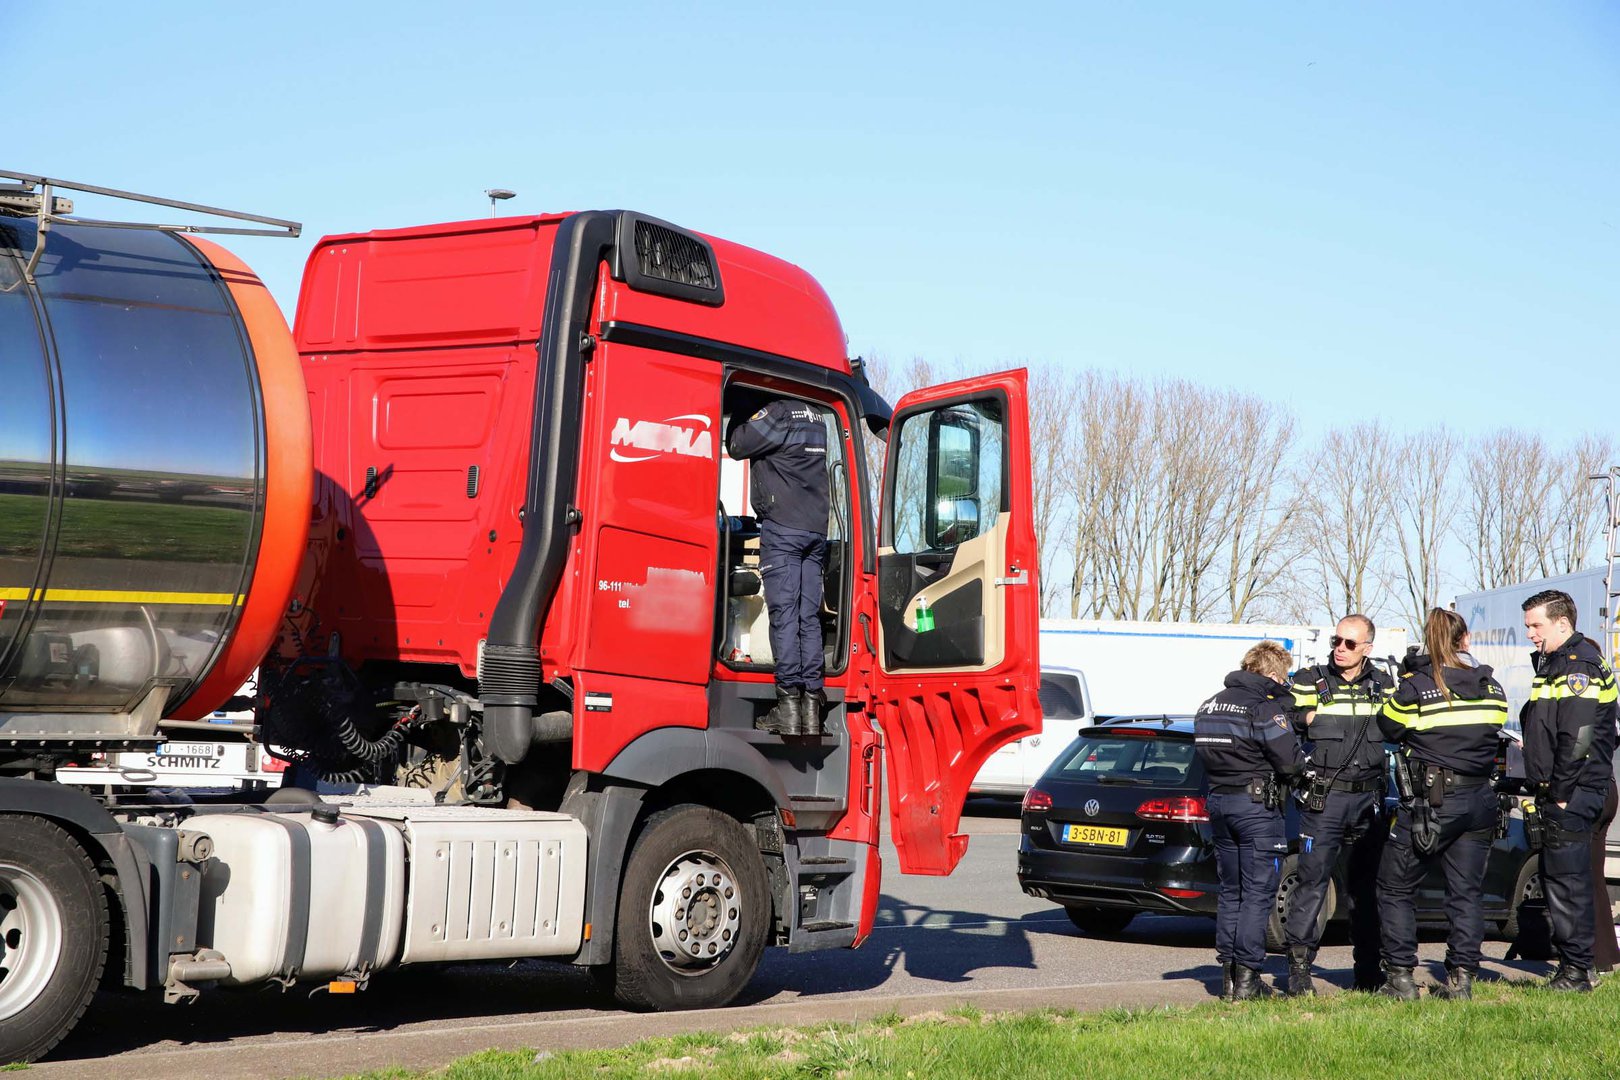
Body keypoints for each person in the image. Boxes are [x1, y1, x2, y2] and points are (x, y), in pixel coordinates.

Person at [1375, 608, 1508, 1001]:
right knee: (1466, 892)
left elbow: (1388, 726)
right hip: (1481, 800)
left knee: (1395, 885)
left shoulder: (1416, 687)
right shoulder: (1492, 686)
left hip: (1433, 802)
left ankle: (1400, 978)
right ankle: (1461, 979)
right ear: (1465, 639)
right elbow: (1494, 728)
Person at [1284, 614, 1393, 995]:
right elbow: (1282, 719)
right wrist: (1305, 717)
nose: (1340, 649)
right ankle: (1299, 970)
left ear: (1368, 648)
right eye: (1336, 641)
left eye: (1350, 643)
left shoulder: (1385, 685)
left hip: (1369, 799)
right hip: (1324, 798)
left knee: (1367, 888)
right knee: (1312, 883)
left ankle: (1368, 970)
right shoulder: (1308, 680)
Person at [1193, 640, 1305, 1001]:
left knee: (1231, 892)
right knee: (1258, 894)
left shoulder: (1209, 704)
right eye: (1283, 678)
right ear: (1271, 674)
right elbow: (1289, 761)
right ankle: (1248, 979)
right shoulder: (1261, 708)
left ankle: (1227, 977)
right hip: (1257, 808)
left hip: (1219, 803)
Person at [1520, 589, 1619, 991]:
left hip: (1574, 792)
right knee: (1562, 879)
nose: (1530, 633)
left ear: (1562, 623)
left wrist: (1559, 791)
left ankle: (1577, 971)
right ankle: (1577, 967)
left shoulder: (1578, 667)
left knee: (1568, 883)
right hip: (1568, 790)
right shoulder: (1555, 663)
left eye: (1535, 625)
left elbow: (1579, 736)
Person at [726, 395, 830, 737]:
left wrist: (741, 405)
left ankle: (787, 708)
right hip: (815, 528)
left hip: (783, 528)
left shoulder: (779, 412)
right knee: (807, 615)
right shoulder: (817, 417)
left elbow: (739, 444)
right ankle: (812, 706)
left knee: (784, 613)